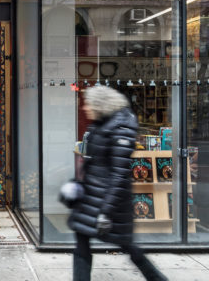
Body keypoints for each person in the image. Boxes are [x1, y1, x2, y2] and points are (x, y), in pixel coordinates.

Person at [67, 85, 167, 281]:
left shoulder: (120, 129)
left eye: (88, 104)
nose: (85, 108)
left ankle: (158, 279)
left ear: (100, 105)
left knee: (127, 245)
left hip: (109, 202)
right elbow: (95, 162)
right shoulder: (100, 124)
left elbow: (119, 175)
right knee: (81, 243)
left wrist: (106, 211)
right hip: (91, 197)